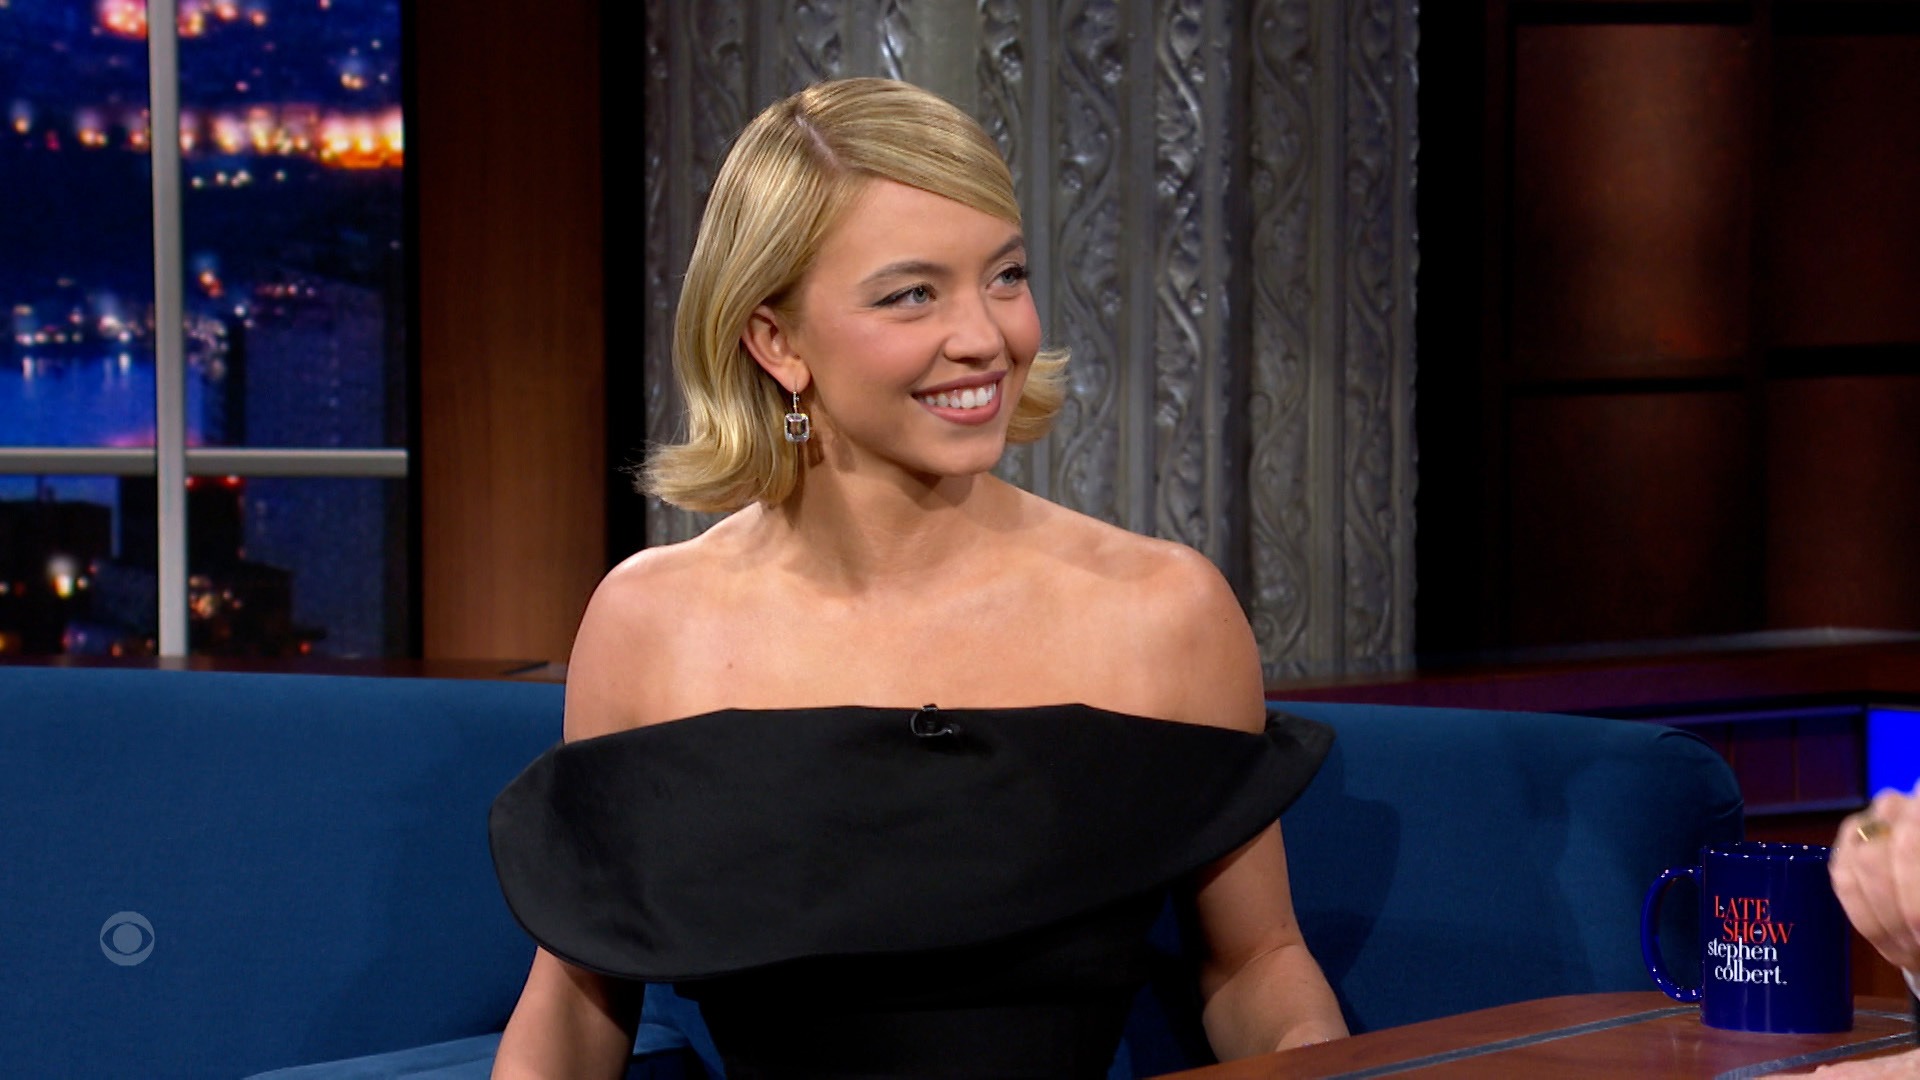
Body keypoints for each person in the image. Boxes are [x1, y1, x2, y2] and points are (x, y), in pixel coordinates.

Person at [487, 77, 1348, 1079]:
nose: (986, 336)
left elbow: (1255, 966)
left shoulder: (1163, 612)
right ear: (776, 340)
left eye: (1007, 275)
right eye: (913, 293)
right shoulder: (651, 624)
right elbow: (578, 1004)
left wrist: (1308, 1050)